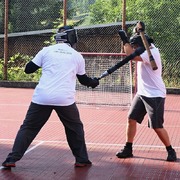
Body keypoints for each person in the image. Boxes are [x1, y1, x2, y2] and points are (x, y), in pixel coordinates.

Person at [2, 27, 99, 168]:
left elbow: (28, 69)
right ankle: (81, 159)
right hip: (64, 99)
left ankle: (11, 159)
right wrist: (93, 82)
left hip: (42, 97)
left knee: (28, 128)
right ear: (71, 38)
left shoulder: (46, 50)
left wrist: (46, 63)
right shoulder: (76, 55)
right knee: (74, 128)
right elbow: (84, 80)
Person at [116, 22, 177, 162]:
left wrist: (125, 40)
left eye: (136, 46)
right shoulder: (147, 48)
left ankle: (170, 150)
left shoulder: (151, 53)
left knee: (156, 126)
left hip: (154, 95)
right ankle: (128, 148)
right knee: (131, 119)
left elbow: (130, 55)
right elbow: (135, 46)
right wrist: (138, 30)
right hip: (142, 93)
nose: (135, 48)